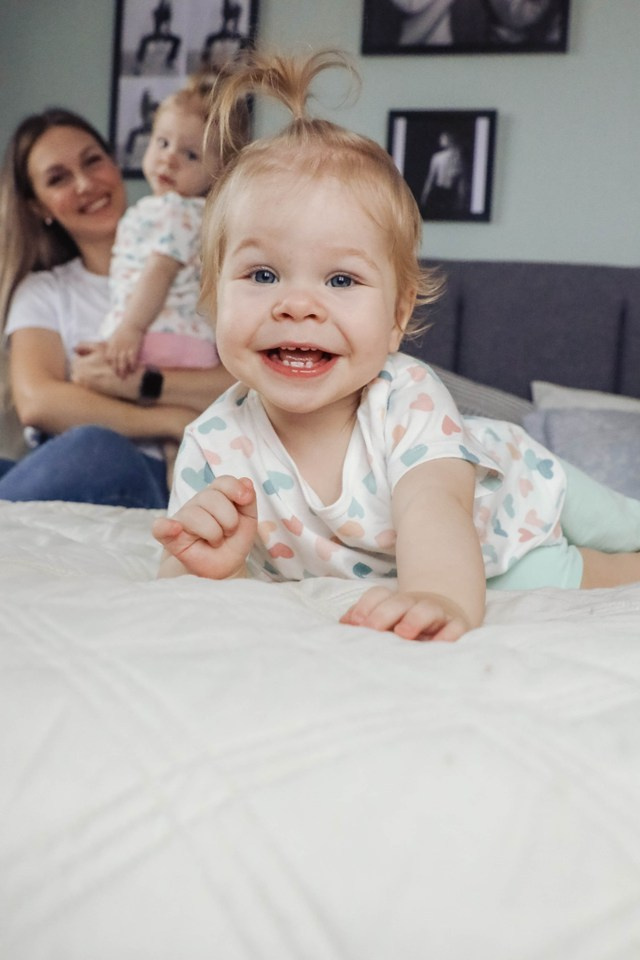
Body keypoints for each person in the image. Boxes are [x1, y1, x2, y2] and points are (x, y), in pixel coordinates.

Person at [151, 49, 640, 643]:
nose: (297, 305)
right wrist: (203, 564)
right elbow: (183, 574)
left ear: (396, 317)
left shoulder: (404, 398)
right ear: (212, 297)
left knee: (625, 523)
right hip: (495, 568)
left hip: (521, 484)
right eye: (262, 275)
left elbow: (435, 512)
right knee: (597, 577)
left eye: (340, 280)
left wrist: (434, 597)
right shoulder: (211, 445)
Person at [0, 107, 235, 507]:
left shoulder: (204, 264)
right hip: (63, 467)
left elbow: (242, 384)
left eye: (93, 161)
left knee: (97, 445)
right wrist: (170, 419)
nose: (86, 183)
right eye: (58, 178)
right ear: (39, 206)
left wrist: (141, 384)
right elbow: (39, 402)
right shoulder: (44, 292)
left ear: (114, 163)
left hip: (155, 477)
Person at [101, 76, 221, 380]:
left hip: (156, 335)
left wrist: (130, 328)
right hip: (178, 339)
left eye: (190, 154)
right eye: (163, 142)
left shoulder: (177, 209)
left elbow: (159, 270)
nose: (169, 158)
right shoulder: (186, 212)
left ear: (218, 173)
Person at [420, 130, 467, 218]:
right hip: (441, 192)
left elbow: (430, 179)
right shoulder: (438, 157)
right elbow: (431, 179)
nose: (440, 140)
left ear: (450, 140)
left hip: (448, 194)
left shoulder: (456, 157)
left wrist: (424, 196)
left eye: (443, 138)